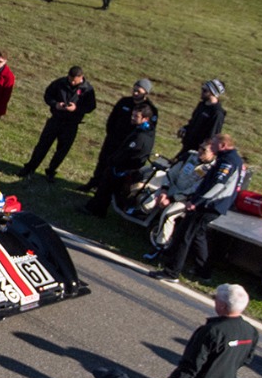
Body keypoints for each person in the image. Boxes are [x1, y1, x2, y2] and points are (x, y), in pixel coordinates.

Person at [151, 132, 243, 283]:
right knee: (197, 235)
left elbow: (217, 185)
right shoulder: (230, 158)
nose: (211, 148)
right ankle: (203, 272)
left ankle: (172, 272)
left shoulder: (228, 161)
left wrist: (196, 201)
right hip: (213, 205)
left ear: (223, 145)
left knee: (184, 235)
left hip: (209, 205)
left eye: (214, 145)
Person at [19, 66, 97, 182]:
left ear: (81, 77)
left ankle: (51, 171)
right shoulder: (60, 83)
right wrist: (55, 104)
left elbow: (91, 106)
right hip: (56, 119)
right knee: (42, 145)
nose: (71, 82)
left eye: (74, 81)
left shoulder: (87, 90)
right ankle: (30, 167)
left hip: (71, 124)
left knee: (62, 150)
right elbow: (48, 95)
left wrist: (76, 108)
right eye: (70, 79)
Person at [83, 79, 158, 193]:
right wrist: (111, 134)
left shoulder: (150, 109)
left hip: (130, 145)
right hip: (114, 139)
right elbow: (112, 118)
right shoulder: (124, 102)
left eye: (138, 91)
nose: (135, 93)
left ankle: (107, 191)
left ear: (146, 93)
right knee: (103, 161)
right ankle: (94, 183)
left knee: (118, 168)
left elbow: (149, 130)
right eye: (134, 90)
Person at [83, 105, 155, 216]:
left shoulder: (141, 136)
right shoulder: (147, 131)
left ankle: (95, 209)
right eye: (132, 115)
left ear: (145, 118)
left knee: (105, 188)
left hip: (122, 169)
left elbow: (128, 152)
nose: (132, 118)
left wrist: (114, 161)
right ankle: (97, 208)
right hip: (125, 168)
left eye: (136, 116)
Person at [177, 79, 226, 156]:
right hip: (187, 146)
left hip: (198, 152)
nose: (201, 92)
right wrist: (185, 129)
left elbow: (212, 135)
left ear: (213, 93)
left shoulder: (217, 113)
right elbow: (193, 122)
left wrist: (204, 150)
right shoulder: (202, 105)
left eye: (205, 91)